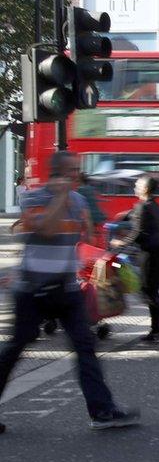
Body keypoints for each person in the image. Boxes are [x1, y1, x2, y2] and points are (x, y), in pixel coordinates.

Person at [0, 151, 139, 433]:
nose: (77, 174)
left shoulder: (78, 200)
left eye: (77, 170)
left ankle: (102, 411)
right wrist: (60, 198)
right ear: (57, 172)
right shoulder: (34, 197)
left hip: (66, 289)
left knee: (85, 347)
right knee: (15, 349)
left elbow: (81, 238)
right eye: (71, 170)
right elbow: (46, 231)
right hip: (32, 290)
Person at [111, 175, 159, 342]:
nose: (134, 188)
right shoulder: (155, 205)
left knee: (147, 291)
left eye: (137, 185)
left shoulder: (142, 206)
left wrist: (119, 243)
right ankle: (157, 329)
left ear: (145, 189)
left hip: (150, 253)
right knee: (151, 291)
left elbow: (137, 232)